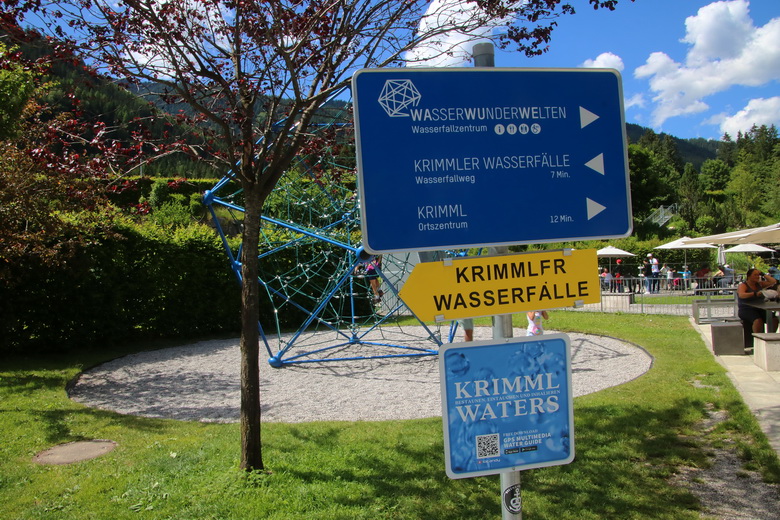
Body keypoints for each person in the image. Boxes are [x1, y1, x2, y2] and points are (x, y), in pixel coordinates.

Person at [737, 268, 778, 334]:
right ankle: (757, 337)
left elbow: (773, 281)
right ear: (749, 276)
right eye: (755, 275)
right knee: (758, 320)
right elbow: (741, 295)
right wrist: (755, 294)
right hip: (746, 309)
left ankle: (771, 335)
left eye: (758, 275)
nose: (757, 276)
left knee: (774, 319)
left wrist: (762, 274)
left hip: (760, 308)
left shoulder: (760, 284)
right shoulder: (743, 285)